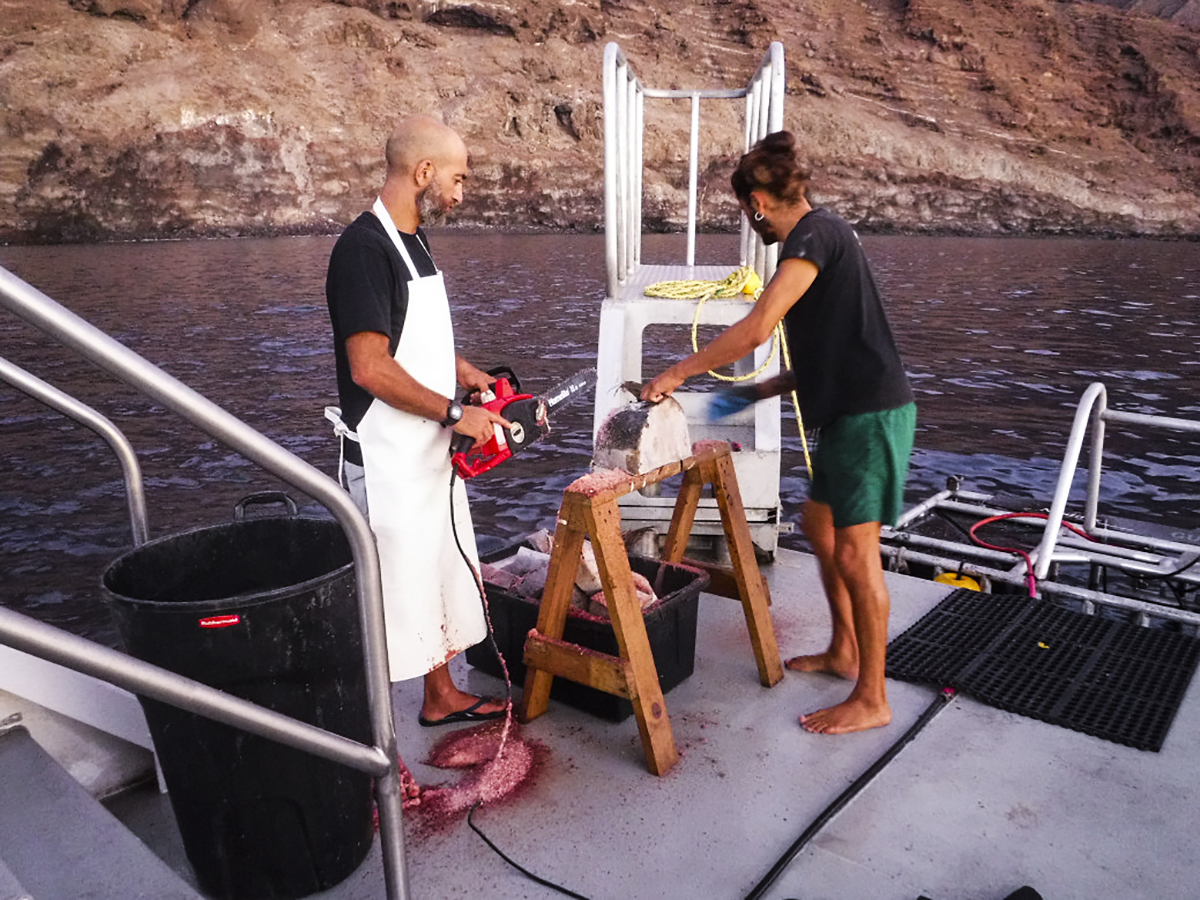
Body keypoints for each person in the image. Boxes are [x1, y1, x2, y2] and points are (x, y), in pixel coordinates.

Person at [640, 131, 915, 735]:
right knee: (820, 527)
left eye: (747, 211)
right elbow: (823, 357)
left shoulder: (812, 235)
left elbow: (759, 327)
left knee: (856, 552)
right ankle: (845, 650)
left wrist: (678, 370)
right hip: (851, 412)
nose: (751, 221)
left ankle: (873, 696)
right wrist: (745, 394)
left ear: (758, 201)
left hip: (870, 418)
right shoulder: (824, 240)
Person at [325, 115, 508, 726]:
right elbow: (370, 368)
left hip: (426, 448)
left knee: (437, 570)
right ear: (423, 172)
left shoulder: (414, 240)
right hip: (386, 458)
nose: (461, 191)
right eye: (457, 178)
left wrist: (466, 373)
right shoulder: (362, 250)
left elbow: (409, 334)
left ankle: (440, 696)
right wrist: (458, 415)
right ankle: (368, 738)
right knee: (389, 594)